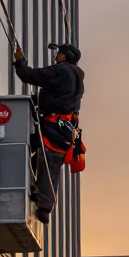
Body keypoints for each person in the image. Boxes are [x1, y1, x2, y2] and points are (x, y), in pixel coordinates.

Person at [13, 42, 84, 223]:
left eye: (59, 53)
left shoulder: (61, 71)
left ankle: (44, 206)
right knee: (39, 156)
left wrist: (20, 61)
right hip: (63, 129)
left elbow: (30, 75)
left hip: (53, 127)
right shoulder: (77, 77)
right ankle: (36, 193)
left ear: (63, 56)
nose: (56, 56)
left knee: (47, 160)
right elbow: (58, 97)